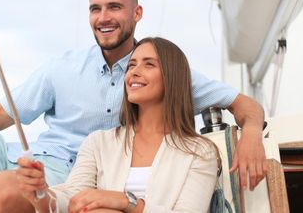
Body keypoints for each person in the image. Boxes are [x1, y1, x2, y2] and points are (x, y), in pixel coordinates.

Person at [0, 0, 266, 213]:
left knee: (7, 194)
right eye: (96, 8)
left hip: (89, 180)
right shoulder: (62, 68)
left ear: (137, 13)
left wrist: (252, 134)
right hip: (37, 168)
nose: (103, 17)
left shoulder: (167, 72)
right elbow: (0, 117)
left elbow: (244, 106)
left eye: (114, 7)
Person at [17, 37, 219, 213]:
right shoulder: (98, 143)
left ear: (172, 78)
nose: (134, 72)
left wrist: (125, 201)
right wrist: (41, 192)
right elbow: (73, 199)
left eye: (148, 65)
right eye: (131, 65)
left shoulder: (201, 152)